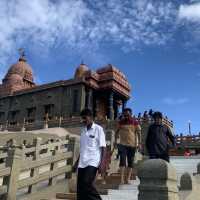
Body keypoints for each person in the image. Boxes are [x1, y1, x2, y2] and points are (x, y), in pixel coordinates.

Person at [73, 108, 106, 200]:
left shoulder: (98, 129)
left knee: (86, 183)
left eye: (85, 118)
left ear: (91, 117)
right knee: (80, 189)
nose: (83, 120)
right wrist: (76, 162)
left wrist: (102, 163)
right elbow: (83, 148)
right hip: (82, 162)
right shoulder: (83, 131)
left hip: (93, 161)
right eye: (82, 118)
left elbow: (103, 147)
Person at [114, 108, 141, 184]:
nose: (126, 116)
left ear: (130, 114)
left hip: (132, 145)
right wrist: (115, 142)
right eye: (124, 115)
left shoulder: (135, 122)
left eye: (127, 115)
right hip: (122, 144)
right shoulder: (121, 122)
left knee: (130, 162)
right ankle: (121, 179)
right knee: (122, 160)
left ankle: (127, 179)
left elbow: (139, 133)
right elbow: (116, 132)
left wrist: (140, 144)